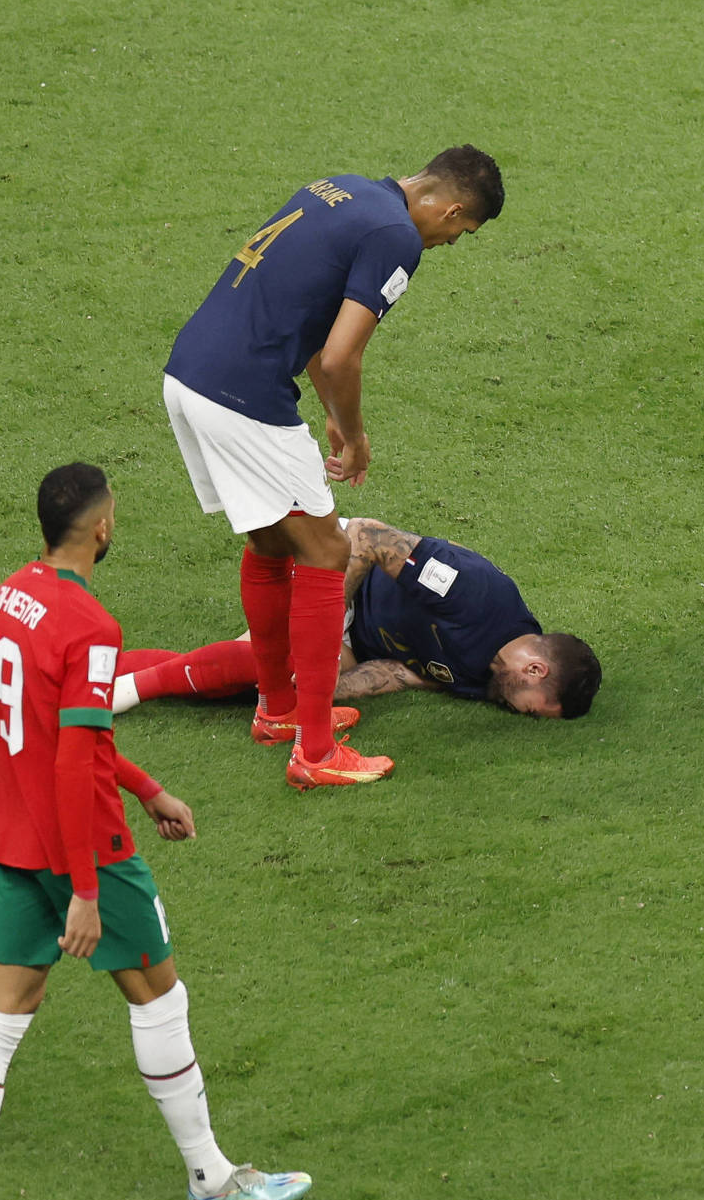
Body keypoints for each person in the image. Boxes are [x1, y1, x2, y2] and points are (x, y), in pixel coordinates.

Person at [0, 464, 308, 1200]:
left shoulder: (9, 596)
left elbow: (55, 732)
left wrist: (147, 787)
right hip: (84, 849)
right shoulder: (90, 627)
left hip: (12, 838)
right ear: (101, 529)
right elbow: (73, 764)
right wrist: (84, 888)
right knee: (156, 995)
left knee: (1, 1015)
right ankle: (211, 1178)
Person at [162, 148, 503, 787]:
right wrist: (354, 430)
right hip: (245, 393)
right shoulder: (398, 237)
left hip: (190, 373)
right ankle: (315, 752)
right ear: (452, 209)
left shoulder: (339, 187)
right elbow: (343, 357)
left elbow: (317, 340)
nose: (451, 241)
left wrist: (334, 419)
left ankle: (279, 710)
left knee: (269, 541)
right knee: (326, 553)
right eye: (462, 231)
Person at [0, 517, 601, 722]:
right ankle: (85, 682)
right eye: (529, 704)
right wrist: (328, 616)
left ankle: (52, 667)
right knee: (268, 663)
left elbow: (399, 675)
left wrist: (313, 695)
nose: (512, 710)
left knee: (262, 685)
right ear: (536, 668)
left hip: (353, 634)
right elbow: (370, 537)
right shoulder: (478, 596)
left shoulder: (483, 677)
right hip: (329, 569)